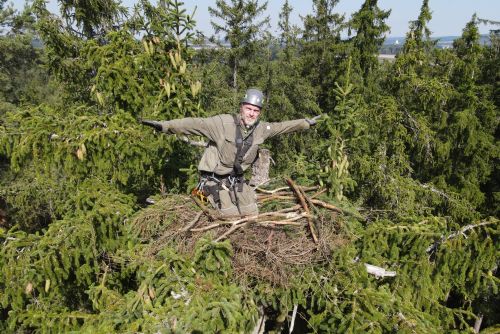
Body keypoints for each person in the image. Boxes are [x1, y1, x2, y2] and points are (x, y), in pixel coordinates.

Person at [141, 88, 321, 217]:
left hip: (234, 181)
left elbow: (282, 127)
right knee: (229, 214)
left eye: (256, 111)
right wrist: (164, 125)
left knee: (251, 211)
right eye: (248, 109)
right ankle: (206, 197)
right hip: (212, 180)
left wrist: (306, 123)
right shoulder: (222, 124)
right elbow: (193, 124)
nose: (251, 114)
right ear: (241, 107)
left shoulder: (261, 129)